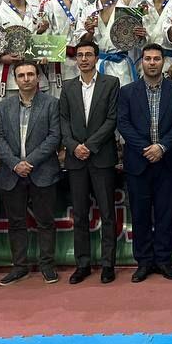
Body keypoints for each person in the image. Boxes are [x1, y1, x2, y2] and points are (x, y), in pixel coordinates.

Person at [117, 44, 172, 281]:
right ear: (142, 62)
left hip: (168, 162)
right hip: (138, 162)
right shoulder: (127, 92)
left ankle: (164, 261)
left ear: (163, 62)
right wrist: (146, 149)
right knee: (140, 215)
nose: (152, 63)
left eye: (157, 59)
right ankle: (144, 262)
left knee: (166, 214)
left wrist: (162, 147)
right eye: (148, 59)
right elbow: (123, 124)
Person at [0, 62, 62, 285]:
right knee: (16, 223)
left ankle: (47, 265)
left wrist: (29, 162)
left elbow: (54, 137)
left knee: (45, 222)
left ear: (38, 77)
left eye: (30, 74)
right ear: (15, 79)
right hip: (11, 173)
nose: (26, 79)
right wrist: (16, 164)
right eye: (21, 75)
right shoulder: (3, 106)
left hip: (42, 171)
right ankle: (19, 266)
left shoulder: (52, 103)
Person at [59, 41, 121, 284]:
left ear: (97, 58)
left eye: (88, 55)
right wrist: (74, 146)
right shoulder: (68, 86)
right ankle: (82, 264)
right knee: (80, 214)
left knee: (107, 214)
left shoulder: (111, 83)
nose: (84, 59)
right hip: (76, 159)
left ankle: (108, 265)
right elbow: (63, 120)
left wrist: (90, 145)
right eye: (80, 55)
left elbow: (112, 119)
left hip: (101, 156)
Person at [0, 0, 48, 105]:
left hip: (33, 69)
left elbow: (44, 40)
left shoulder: (38, 13)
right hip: (8, 73)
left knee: (37, 112)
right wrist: (1, 57)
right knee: (5, 112)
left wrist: (43, 53)